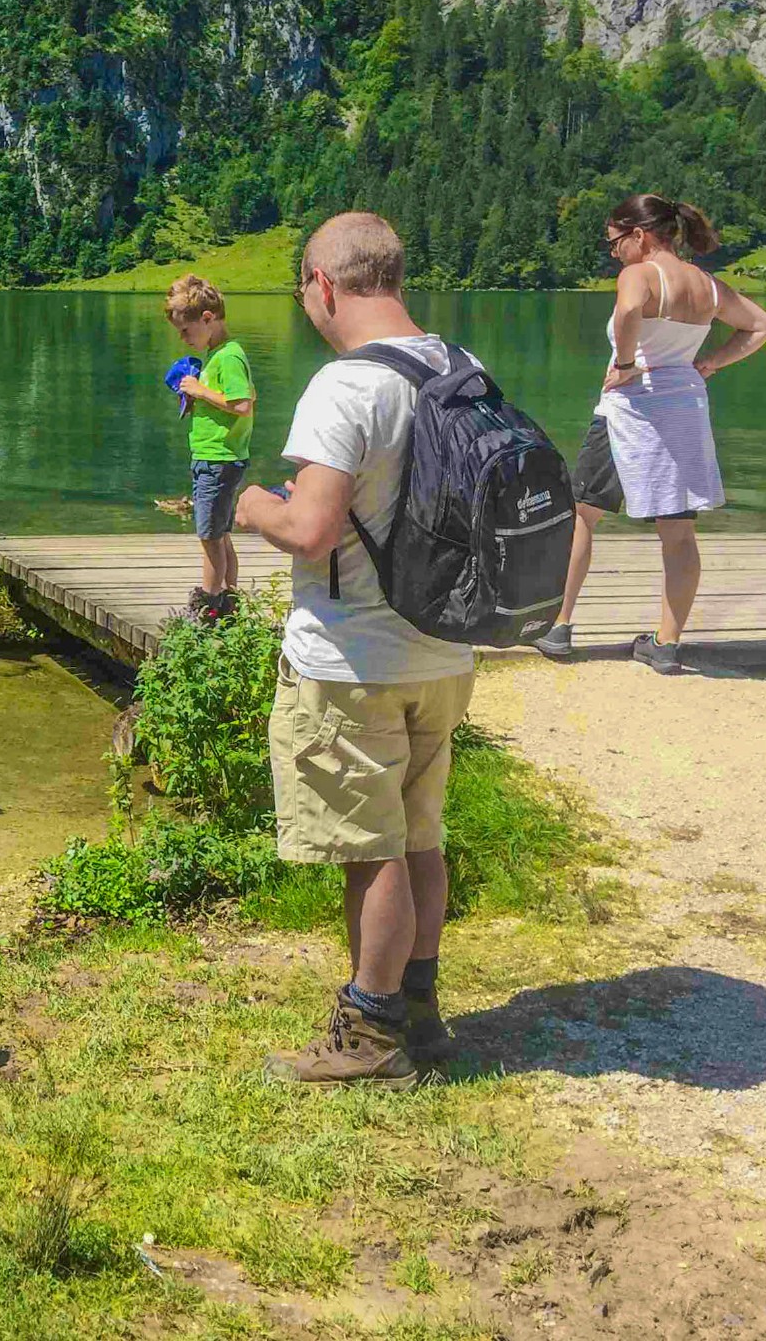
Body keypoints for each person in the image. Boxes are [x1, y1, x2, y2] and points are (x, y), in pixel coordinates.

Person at [234, 213, 477, 1088]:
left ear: (321, 283)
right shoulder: (459, 367)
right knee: (420, 837)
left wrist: (253, 502)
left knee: (370, 851)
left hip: (352, 663)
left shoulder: (347, 387)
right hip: (443, 654)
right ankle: (420, 1009)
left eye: (303, 288)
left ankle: (369, 1037)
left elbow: (310, 529)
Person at [533, 196, 766, 673]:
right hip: (682, 410)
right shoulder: (705, 284)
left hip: (630, 411)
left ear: (639, 235)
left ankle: (558, 627)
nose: (613, 252)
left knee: (583, 515)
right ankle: (666, 644)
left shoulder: (639, 275)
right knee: (679, 532)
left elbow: (627, 313)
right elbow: (761, 326)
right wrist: (709, 363)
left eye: (615, 241)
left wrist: (625, 365)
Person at [166, 274, 256, 619]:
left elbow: (243, 403)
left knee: (208, 536)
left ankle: (209, 604)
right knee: (220, 533)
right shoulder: (221, 355)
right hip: (217, 456)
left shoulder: (228, 357)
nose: (183, 338)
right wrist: (195, 400)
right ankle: (229, 600)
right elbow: (245, 397)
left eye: (186, 331)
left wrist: (202, 391)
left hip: (218, 458)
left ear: (207, 319)